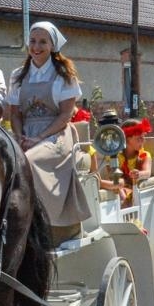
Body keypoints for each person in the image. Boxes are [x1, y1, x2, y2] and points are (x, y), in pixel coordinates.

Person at [9, 20, 92, 236]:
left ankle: (42, 221)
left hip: (56, 133)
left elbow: (65, 115)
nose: (36, 47)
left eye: (42, 42)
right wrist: (19, 136)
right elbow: (15, 113)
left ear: (52, 46)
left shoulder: (63, 75)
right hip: (25, 132)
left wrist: (40, 138)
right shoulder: (18, 76)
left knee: (29, 161)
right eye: (33, 41)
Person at [98, 116, 154, 207]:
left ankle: (99, 183)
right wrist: (121, 191)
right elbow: (112, 176)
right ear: (127, 139)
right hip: (118, 186)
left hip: (134, 188)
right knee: (119, 183)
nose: (143, 141)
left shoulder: (144, 155)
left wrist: (138, 174)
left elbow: (147, 172)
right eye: (139, 138)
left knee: (120, 184)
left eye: (144, 137)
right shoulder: (115, 156)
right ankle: (98, 183)